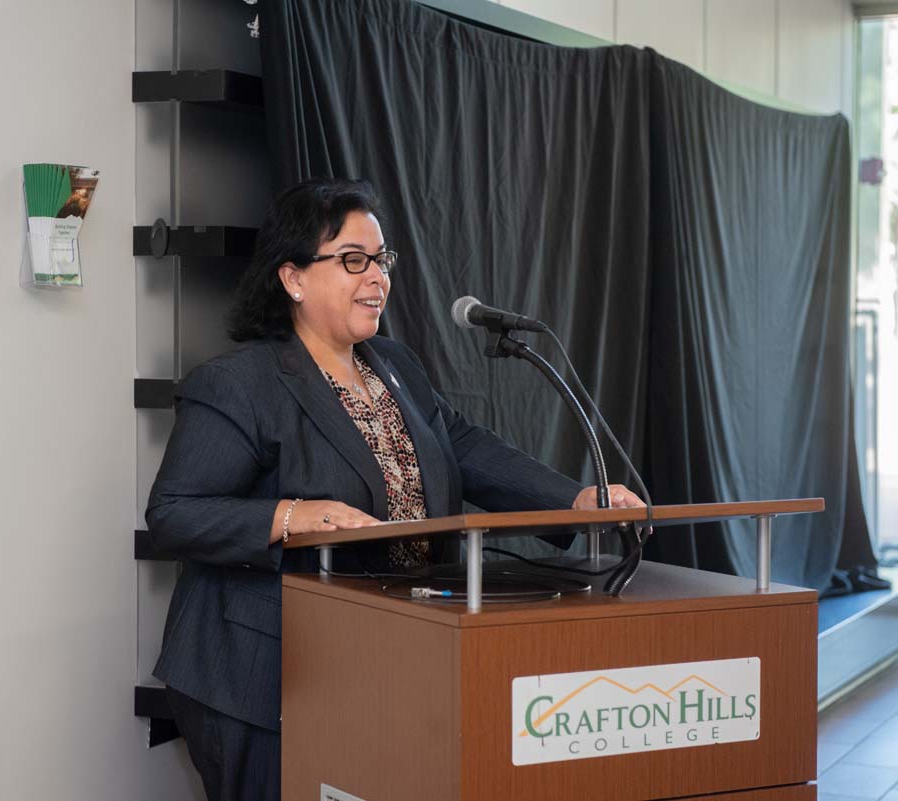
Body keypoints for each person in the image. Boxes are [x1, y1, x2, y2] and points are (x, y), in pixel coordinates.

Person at [145, 178, 643, 800]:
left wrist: (574, 500)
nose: (378, 277)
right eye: (354, 260)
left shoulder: (395, 364)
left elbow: (462, 446)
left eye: (382, 260)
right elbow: (174, 513)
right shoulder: (240, 383)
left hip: (385, 656)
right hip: (261, 673)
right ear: (293, 278)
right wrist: (291, 514)